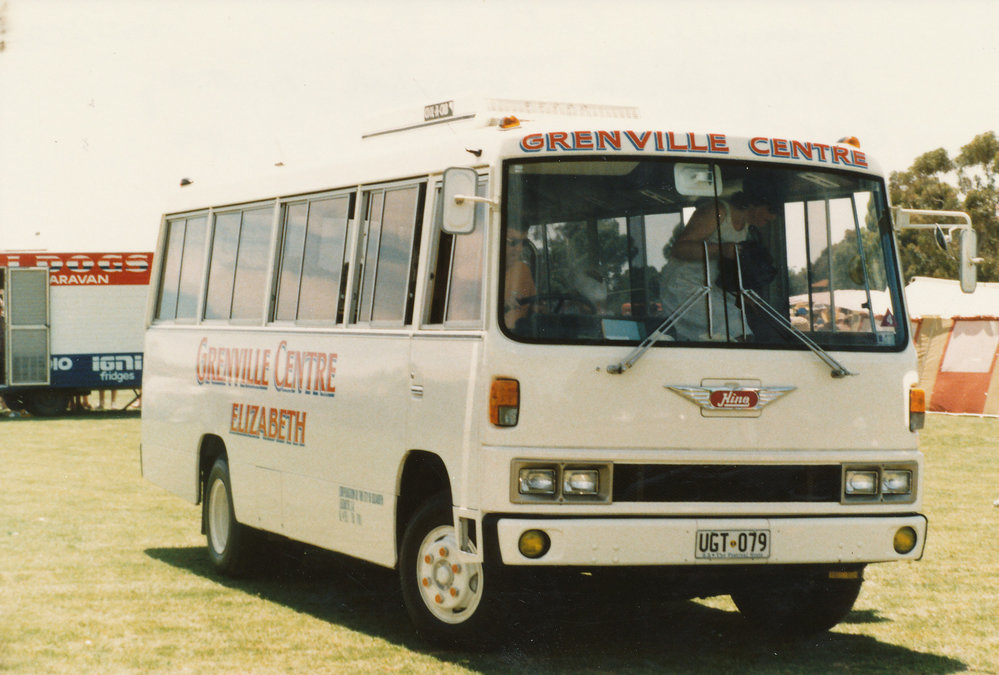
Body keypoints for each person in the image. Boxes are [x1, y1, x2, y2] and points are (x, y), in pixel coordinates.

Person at [660, 183, 779, 341]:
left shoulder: (746, 227)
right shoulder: (717, 212)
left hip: (710, 287)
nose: (769, 219)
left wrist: (740, 293)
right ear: (756, 203)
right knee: (734, 332)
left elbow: (724, 268)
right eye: (769, 211)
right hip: (684, 286)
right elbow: (679, 249)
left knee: (736, 331)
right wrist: (719, 249)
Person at [503, 226, 537, 330]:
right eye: (513, 242)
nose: (520, 249)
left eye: (524, 243)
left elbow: (534, 304)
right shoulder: (476, 274)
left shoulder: (523, 270)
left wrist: (538, 308)